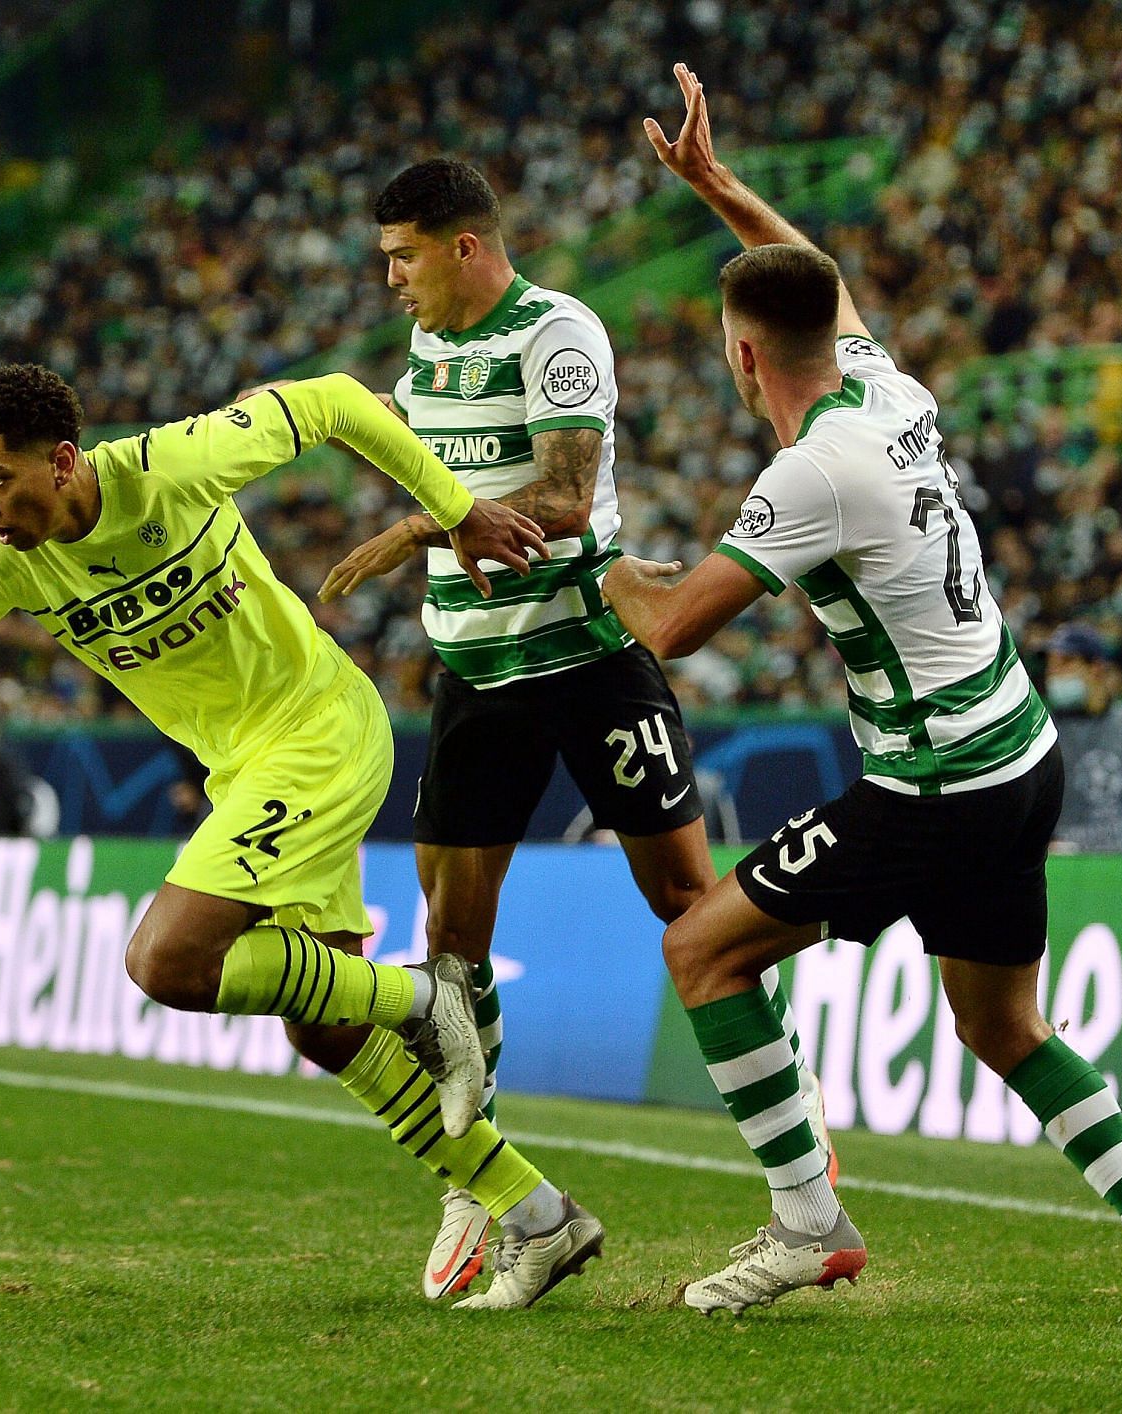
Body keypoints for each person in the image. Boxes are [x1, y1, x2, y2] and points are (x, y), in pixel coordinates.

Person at [598, 65, 1122, 1324]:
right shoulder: (889, 390)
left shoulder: (813, 473)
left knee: (702, 947)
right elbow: (811, 278)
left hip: (933, 783)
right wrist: (721, 190)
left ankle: (805, 1222)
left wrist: (583, 541)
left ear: (739, 358)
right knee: (1001, 1025)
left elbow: (668, 624)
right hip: (1018, 752)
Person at [0, 363, 603, 1309]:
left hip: (321, 735)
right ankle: (538, 1214)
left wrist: (458, 510)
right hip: (248, 780)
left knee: (166, 961)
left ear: (62, 461)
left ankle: (428, 998)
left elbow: (341, 399)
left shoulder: (175, 465)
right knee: (327, 1025)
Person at [307, 157, 835, 1300]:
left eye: (403, 255)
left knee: (693, 905)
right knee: (452, 941)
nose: (390, 277)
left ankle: (798, 1135)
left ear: (465, 247)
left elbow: (557, 502)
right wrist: (436, 533)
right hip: (475, 670)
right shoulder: (428, 350)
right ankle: (493, 1196)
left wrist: (415, 533)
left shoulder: (559, 333)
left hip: (592, 658)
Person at [1043, 622, 1122, 850]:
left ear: (1096, 667)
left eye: (1065, 662)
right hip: (1072, 872)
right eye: (1050, 664)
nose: (1053, 672)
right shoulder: (1043, 733)